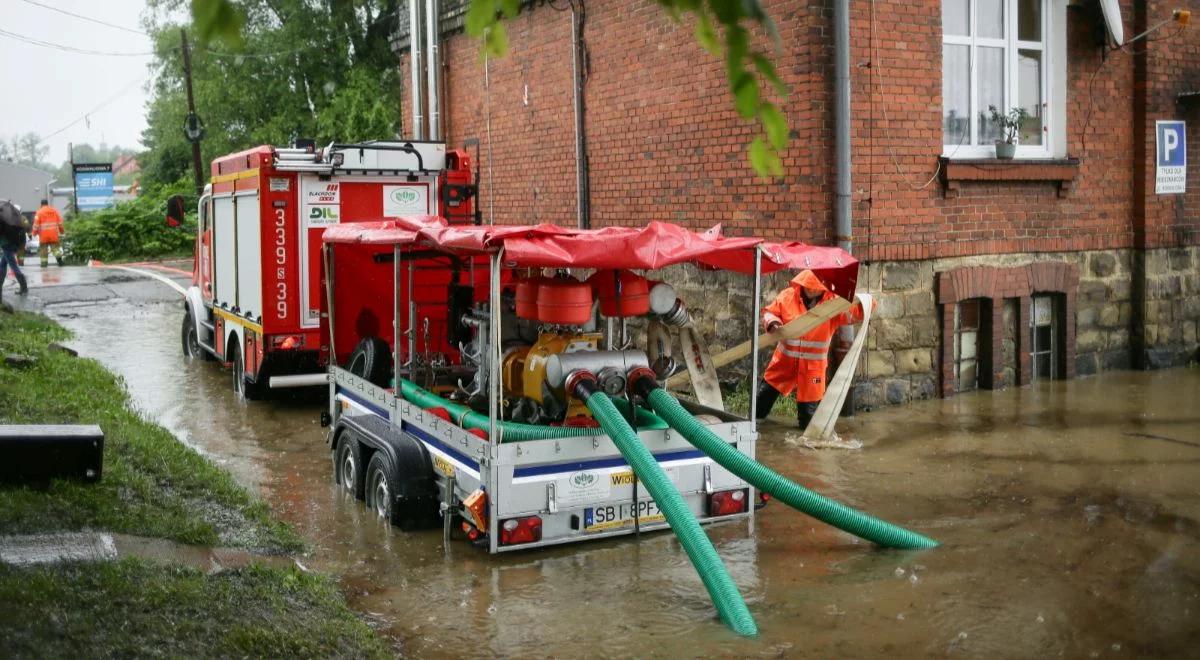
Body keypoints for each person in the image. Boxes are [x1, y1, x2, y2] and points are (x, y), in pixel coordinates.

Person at [755, 269, 870, 429]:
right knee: (759, 406)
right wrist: (773, 323)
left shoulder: (833, 304)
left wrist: (861, 301)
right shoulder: (788, 296)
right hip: (784, 363)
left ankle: (804, 448)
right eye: (808, 285)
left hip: (812, 370)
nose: (811, 289)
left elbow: (854, 315)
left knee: (808, 420)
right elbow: (769, 312)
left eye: (816, 287)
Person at [0, 200, 29, 297]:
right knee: (3, 264)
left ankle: (23, 286)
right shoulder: (17, 218)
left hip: (6, 244)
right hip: (15, 244)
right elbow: (26, 229)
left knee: (13, 266)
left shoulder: (3, 218)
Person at [31, 199, 65, 267]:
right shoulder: (54, 211)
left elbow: (36, 225)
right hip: (53, 234)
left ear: (41, 204)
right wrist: (62, 231)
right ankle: (60, 262)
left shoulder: (39, 212)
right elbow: (60, 223)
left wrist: (34, 233)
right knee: (56, 249)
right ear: (47, 204)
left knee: (43, 250)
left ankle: (44, 264)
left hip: (43, 235)